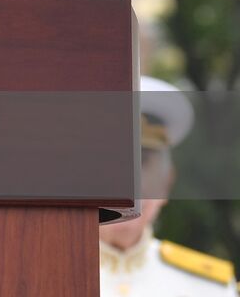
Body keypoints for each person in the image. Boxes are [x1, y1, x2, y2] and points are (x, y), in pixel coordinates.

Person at [98, 75, 236, 294]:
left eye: (143, 160)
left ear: (166, 183)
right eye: (111, 159)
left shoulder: (210, 289)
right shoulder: (38, 277)